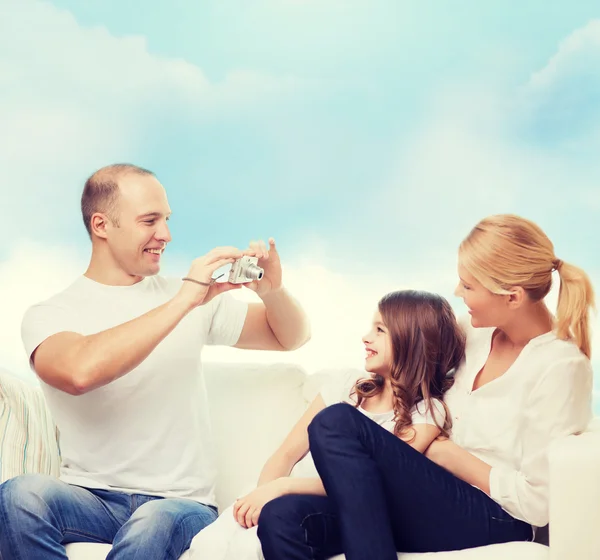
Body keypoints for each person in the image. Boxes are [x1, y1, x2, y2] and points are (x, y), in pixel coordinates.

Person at [0, 163, 311, 560]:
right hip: (91, 499)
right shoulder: (50, 314)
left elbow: (291, 337)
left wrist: (274, 291)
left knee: (152, 524)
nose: (165, 234)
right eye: (150, 220)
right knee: (19, 496)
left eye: (166, 219)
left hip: (181, 506)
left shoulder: (195, 300)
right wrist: (182, 301)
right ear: (102, 225)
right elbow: (79, 372)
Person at [257, 214, 595, 560]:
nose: (457, 292)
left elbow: (537, 503)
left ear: (512, 296)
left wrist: (449, 456)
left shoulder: (560, 367)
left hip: (495, 515)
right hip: (427, 493)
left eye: (469, 286)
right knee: (280, 519)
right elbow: (412, 351)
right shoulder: (473, 333)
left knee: (335, 422)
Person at [189, 289, 466, 560]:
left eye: (380, 330)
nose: (366, 337)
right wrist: (265, 494)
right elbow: (285, 454)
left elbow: (367, 485)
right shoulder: (346, 386)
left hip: (332, 509)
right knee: (223, 542)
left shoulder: (427, 413)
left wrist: (284, 488)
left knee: (278, 522)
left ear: (412, 341)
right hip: (285, 497)